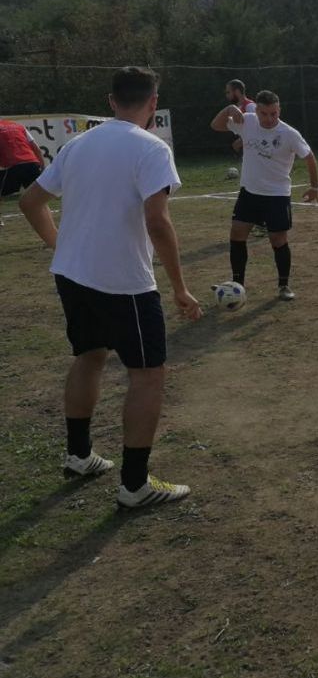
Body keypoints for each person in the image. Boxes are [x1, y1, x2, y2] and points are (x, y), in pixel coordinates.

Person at [18, 67, 202, 509]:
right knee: (148, 374)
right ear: (153, 102)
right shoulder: (152, 148)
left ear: (111, 100)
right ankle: (135, 485)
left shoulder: (78, 144)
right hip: (124, 284)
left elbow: (30, 201)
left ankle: (80, 455)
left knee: (90, 355)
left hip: (73, 275)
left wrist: (60, 245)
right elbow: (158, 221)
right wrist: (179, 286)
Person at [210, 90, 318, 301]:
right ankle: (237, 285)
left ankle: (284, 286)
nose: (269, 119)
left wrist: (314, 187)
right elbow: (216, 125)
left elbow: (309, 156)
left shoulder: (289, 133)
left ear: (279, 111)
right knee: (237, 235)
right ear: (256, 110)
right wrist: (229, 109)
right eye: (264, 113)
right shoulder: (247, 121)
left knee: (278, 240)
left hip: (277, 195)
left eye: (274, 114)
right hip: (249, 192)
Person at [0, 119, 44, 226]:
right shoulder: (18, 126)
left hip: (14, 165)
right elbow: (36, 148)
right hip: (33, 163)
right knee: (38, 198)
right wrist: (42, 166)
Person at [224, 79, 255, 155]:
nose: (227, 95)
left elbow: (257, 129)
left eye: (228, 92)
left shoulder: (250, 106)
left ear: (237, 92)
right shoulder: (237, 109)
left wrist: (241, 141)